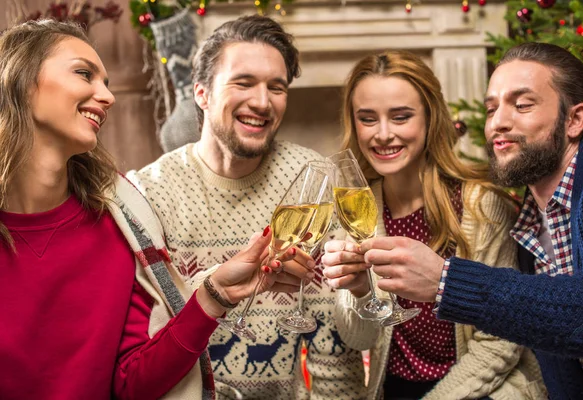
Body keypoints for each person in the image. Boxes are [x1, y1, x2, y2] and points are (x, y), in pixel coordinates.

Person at [0, 19, 306, 400]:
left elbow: (133, 384)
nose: (107, 96)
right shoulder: (151, 189)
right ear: (21, 80)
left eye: (107, 84)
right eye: (84, 74)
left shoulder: (122, 223)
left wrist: (213, 296)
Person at [128, 15, 367, 399]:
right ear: (202, 93)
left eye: (277, 87)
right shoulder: (149, 193)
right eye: (244, 82)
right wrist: (216, 284)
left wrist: (361, 288)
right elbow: (140, 342)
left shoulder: (316, 182)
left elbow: (341, 348)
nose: (262, 101)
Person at [356, 43, 583, 399]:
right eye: (491, 108)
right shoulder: (532, 220)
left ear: (575, 119)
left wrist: (446, 281)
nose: (498, 122)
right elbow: (556, 343)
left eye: (522, 105)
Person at [320, 50, 546, 400]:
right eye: (367, 118)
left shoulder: (480, 205)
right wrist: (361, 291)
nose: (382, 134)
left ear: (429, 118)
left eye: (400, 117)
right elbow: (358, 338)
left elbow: (500, 342)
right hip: (395, 390)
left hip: (482, 389)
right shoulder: (356, 207)